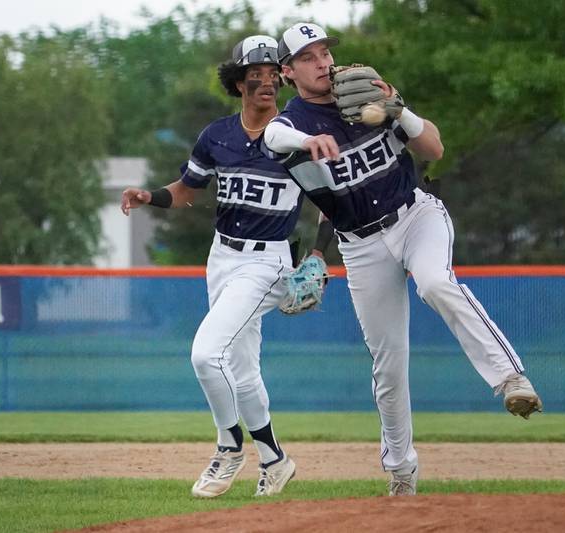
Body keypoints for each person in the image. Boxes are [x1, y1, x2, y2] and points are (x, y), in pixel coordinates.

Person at [262, 22, 543, 496]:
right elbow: (272, 137)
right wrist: (305, 143)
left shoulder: (366, 92)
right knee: (388, 364)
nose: (323, 62)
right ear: (288, 71)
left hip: (416, 216)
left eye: (325, 51)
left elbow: (433, 147)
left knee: (435, 282)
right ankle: (401, 472)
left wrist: (401, 110)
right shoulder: (292, 124)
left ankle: (510, 378)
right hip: (361, 245)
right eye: (308, 57)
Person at [121, 35, 300, 498]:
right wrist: (149, 197)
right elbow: (187, 188)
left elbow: (328, 200)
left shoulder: (291, 136)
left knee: (205, 354)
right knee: (241, 370)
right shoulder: (217, 135)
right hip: (222, 257)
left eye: (273, 73)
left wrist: (317, 254)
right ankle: (276, 460)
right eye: (256, 74)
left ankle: (229, 446)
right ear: (239, 82)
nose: (267, 81)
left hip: (268, 261)